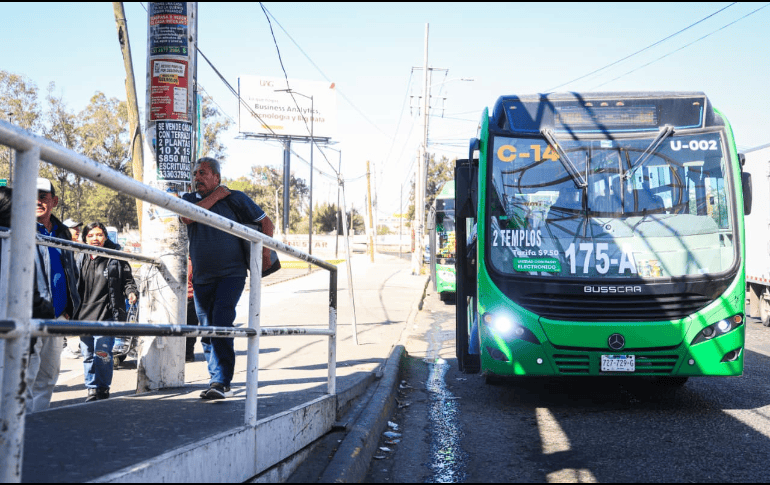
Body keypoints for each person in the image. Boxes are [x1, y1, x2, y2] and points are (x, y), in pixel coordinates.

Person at [181, 157, 274, 400]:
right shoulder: (189, 199)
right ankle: (216, 379)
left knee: (221, 320)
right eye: (195, 174)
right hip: (201, 277)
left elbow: (266, 223)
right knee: (206, 329)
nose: (197, 178)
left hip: (232, 274)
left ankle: (221, 381)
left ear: (217, 177)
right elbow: (188, 217)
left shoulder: (236, 198)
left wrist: (264, 253)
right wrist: (216, 196)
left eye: (203, 173)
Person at [28, 178, 81, 412]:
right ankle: (23, 423)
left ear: (54, 201)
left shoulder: (62, 232)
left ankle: (39, 419)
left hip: (58, 314)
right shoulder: (18, 226)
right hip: (30, 313)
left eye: (43, 197)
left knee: (49, 373)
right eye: (33, 196)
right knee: (26, 373)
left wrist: (70, 307)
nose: (37, 201)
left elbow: (71, 269)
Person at [74, 221, 138, 402]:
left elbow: (128, 281)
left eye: (99, 235)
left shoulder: (115, 256)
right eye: (90, 235)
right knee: (87, 355)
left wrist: (131, 292)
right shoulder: (79, 256)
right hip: (83, 316)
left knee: (102, 354)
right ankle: (91, 389)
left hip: (106, 315)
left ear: (105, 237)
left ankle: (102, 389)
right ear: (85, 238)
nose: (95, 238)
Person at [185, 256, 199, 362]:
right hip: (191, 297)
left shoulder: (193, 261)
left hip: (189, 297)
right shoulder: (196, 260)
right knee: (191, 328)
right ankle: (188, 354)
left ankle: (187, 354)